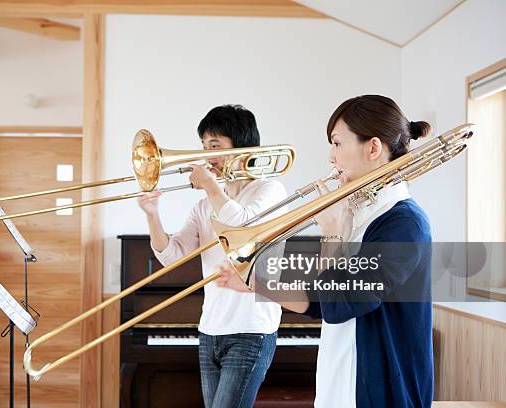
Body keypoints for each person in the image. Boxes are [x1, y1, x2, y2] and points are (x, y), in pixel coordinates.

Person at [216, 95, 434, 407]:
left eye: (337, 143)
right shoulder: (364, 214)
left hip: (381, 391)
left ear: (372, 148)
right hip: (344, 379)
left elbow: (337, 302)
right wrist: (254, 284)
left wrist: (333, 231)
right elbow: (319, 300)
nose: (331, 158)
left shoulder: (403, 223)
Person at [138, 104, 288, 408]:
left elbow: (242, 224)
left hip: (251, 331)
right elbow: (172, 256)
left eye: (215, 145)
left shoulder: (271, 190)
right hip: (209, 330)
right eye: (204, 145)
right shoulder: (204, 206)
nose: (206, 154)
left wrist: (209, 186)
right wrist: (152, 214)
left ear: (242, 148)